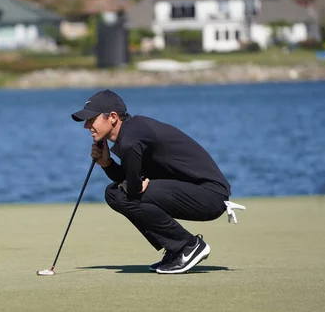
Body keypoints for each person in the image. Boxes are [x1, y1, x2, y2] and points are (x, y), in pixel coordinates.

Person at [71, 89, 232, 274]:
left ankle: (189, 246)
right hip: (197, 192)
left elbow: (132, 191)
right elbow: (129, 183)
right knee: (113, 193)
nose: (86, 126)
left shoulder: (131, 141)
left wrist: (136, 186)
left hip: (210, 195)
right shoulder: (132, 132)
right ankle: (176, 249)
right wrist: (107, 164)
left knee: (119, 195)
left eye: (91, 119)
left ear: (113, 117)